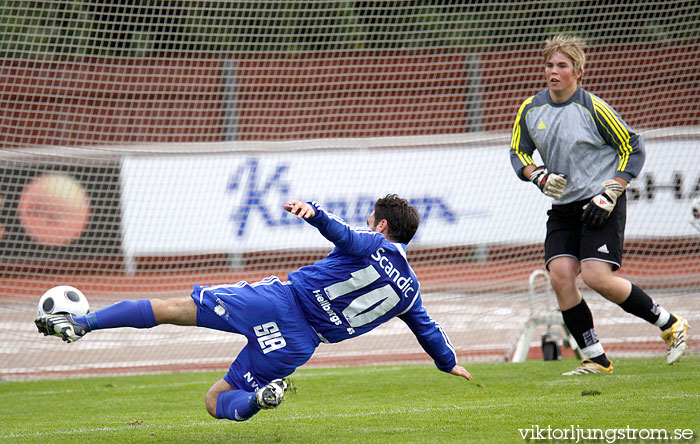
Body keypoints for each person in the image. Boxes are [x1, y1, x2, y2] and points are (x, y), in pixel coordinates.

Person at [35, 194, 471, 421]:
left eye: (370, 219)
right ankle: (259, 400)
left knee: (171, 307)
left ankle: (83, 322)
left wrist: (314, 212)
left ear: (381, 226)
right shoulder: (410, 290)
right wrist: (447, 362)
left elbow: (347, 238)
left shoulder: (372, 241)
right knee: (215, 401)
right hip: (300, 344)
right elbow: (427, 329)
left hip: (278, 301)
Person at [508, 34, 689, 375]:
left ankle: (670, 322)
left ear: (577, 71)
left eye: (562, 65)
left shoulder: (592, 107)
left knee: (596, 276)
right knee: (560, 275)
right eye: (549, 64)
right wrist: (538, 176)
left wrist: (613, 191)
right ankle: (596, 358)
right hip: (563, 208)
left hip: (600, 205)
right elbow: (517, 151)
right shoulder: (531, 109)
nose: (553, 71)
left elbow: (632, 146)